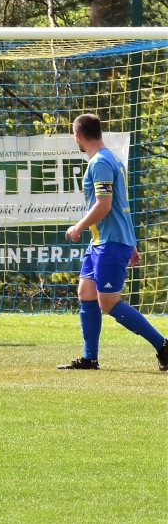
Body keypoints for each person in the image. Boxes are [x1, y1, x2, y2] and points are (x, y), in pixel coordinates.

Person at [59, 113, 168, 371]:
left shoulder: (100, 162)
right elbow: (122, 206)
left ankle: (163, 345)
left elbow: (105, 206)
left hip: (109, 242)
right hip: (102, 241)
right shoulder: (111, 159)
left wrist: (78, 227)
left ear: (78, 136)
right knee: (86, 292)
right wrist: (130, 241)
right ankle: (89, 358)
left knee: (107, 302)